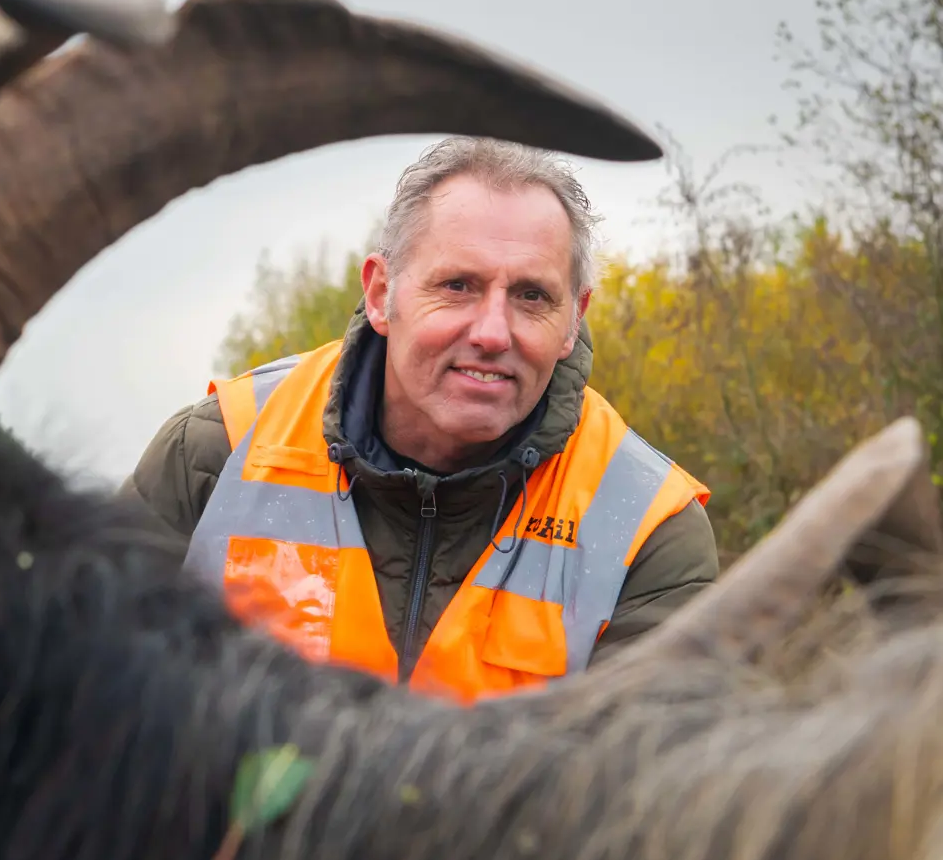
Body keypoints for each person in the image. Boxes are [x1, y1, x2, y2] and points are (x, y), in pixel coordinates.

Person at [120, 137, 719, 703]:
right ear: (381, 293)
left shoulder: (647, 527)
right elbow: (82, 711)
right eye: (457, 286)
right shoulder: (214, 454)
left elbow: (640, 790)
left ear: (574, 318)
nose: (491, 332)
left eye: (532, 296)